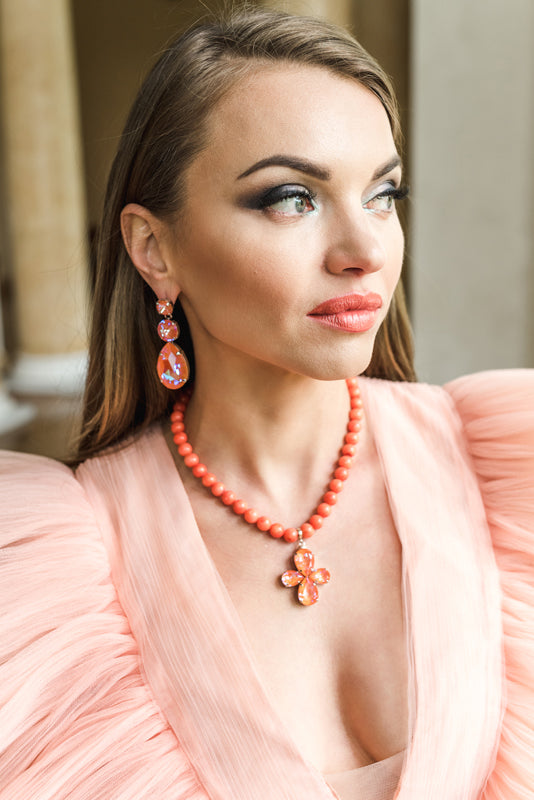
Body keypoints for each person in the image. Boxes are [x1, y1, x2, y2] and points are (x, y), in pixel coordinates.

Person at [0, 7, 532, 799]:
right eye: (292, 197)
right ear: (155, 249)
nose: (364, 253)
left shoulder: (510, 476)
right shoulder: (51, 574)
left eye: (384, 193)